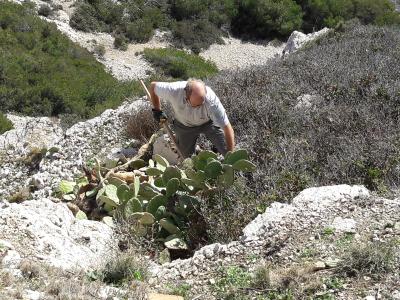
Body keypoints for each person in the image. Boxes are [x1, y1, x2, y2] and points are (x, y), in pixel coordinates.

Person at [149, 79, 235, 158]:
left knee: (226, 148)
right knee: (187, 158)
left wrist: (231, 158)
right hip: (184, 126)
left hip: (208, 123)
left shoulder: (211, 101)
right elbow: (153, 86)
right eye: (196, 105)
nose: (200, 107)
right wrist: (157, 110)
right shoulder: (173, 90)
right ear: (186, 97)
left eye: (202, 103)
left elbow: (227, 128)